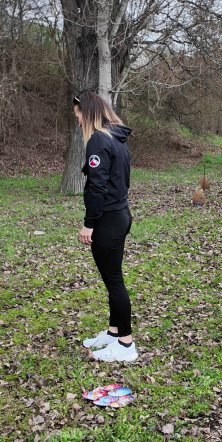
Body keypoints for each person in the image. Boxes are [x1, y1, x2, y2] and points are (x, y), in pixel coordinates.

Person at [74, 92, 137, 362]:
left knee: (114, 282)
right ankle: (113, 334)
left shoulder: (99, 140)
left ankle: (125, 344)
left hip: (109, 220)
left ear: (88, 113)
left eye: (77, 115)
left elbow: (98, 187)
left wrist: (89, 224)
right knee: (114, 280)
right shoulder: (115, 138)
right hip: (120, 214)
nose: (76, 120)